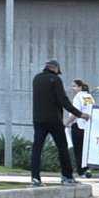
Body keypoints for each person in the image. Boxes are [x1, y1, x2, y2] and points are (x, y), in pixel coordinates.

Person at [29, 58, 77, 186]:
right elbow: (63, 100)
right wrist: (79, 114)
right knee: (62, 148)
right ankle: (67, 176)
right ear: (55, 69)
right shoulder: (56, 79)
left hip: (38, 120)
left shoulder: (36, 79)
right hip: (54, 120)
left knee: (37, 148)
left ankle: (35, 178)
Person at [67, 77, 95, 178]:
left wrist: (66, 123)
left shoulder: (78, 97)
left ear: (79, 87)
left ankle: (81, 171)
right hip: (88, 127)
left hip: (78, 125)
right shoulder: (89, 97)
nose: (72, 88)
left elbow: (75, 112)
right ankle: (87, 169)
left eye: (74, 86)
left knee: (78, 150)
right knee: (85, 150)